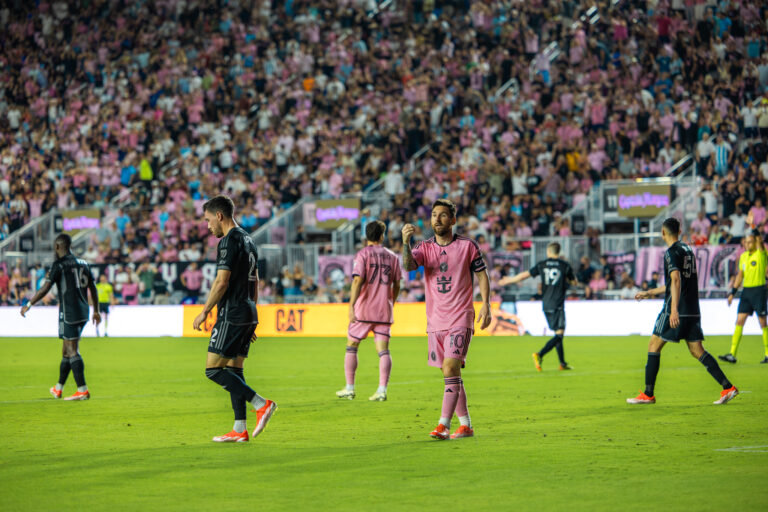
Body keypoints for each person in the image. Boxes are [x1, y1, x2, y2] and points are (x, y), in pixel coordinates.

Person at [402, 199, 492, 440]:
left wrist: (486, 304)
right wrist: (405, 243)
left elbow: (482, 276)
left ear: (452, 220)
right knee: (450, 373)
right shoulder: (424, 247)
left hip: (461, 316)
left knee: (451, 366)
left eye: (443, 215)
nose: (437, 219)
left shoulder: (467, 246)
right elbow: (409, 265)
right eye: (433, 215)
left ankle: (443, 424)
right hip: (435, 321)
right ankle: (466, 425)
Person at [192, 195, 276, 443]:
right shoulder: (249, 240)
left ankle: (261, 404)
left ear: (219, 216)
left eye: (208, 220)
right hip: (248, 310)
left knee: (212, 370)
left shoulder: (228, 242)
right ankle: (240, 428)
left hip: (232, 311)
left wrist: (205, 311)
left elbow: (222, 281)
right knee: (234, 369)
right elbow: (256, 280)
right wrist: (253, 315)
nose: (208, 226)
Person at [628, 218, 738, 405]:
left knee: (653, 345)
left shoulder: (671, 253)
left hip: (677, 308)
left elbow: (676, 280)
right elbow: (675, 283)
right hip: (693, 309)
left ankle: (648, 393)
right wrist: (650, 292)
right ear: (679, 231)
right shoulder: (688, 250)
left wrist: (673, 311)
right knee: (697, 350)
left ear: (663, 233)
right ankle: (728, 387)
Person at [19, 233, 101, 400]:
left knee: (71, 351)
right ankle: (58, 388)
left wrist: (28, 304)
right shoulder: (84, 263)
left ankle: (82, 390)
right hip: (84, 311)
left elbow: (45, 289)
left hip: (69, 312)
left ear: (58, 247)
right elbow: (93, 288)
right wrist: (96, 310)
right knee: (66, 351)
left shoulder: (59, 265)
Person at [336, 220, 401, 402]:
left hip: (363, 311)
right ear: (382, 235)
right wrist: (390, 302)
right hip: (383, 311)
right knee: (383, 351)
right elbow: (397, 284)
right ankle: (382, 390)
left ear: (366, 236)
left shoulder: (363, 254)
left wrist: (351, 306)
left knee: (352, 346)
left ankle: (349, 388)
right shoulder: (392, 256)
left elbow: (357, 281)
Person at [499, 242, 578, 371]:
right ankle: (539, 355)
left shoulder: (542, 264)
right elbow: (574, 282)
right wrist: (571, 280)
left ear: (549, 251)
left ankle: (562, 363)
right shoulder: (565, 266)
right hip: (557, 303)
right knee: (559, 335)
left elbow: (524, 275)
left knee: (557, 333)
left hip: (546, 304)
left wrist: (509, 280)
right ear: (559, 252)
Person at [719, 213, 768, 364]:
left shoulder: (760, 254)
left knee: (763, 323)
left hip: (759, 290)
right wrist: (732, 293)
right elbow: (740, 275)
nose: (748, 244)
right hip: (746, 292)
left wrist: (752, 226)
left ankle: (767, 353)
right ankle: (732, 354)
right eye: (746, 242)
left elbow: (760, 240)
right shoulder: (744, 257)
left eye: (750, 242)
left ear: (754, 242)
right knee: (739, 321)